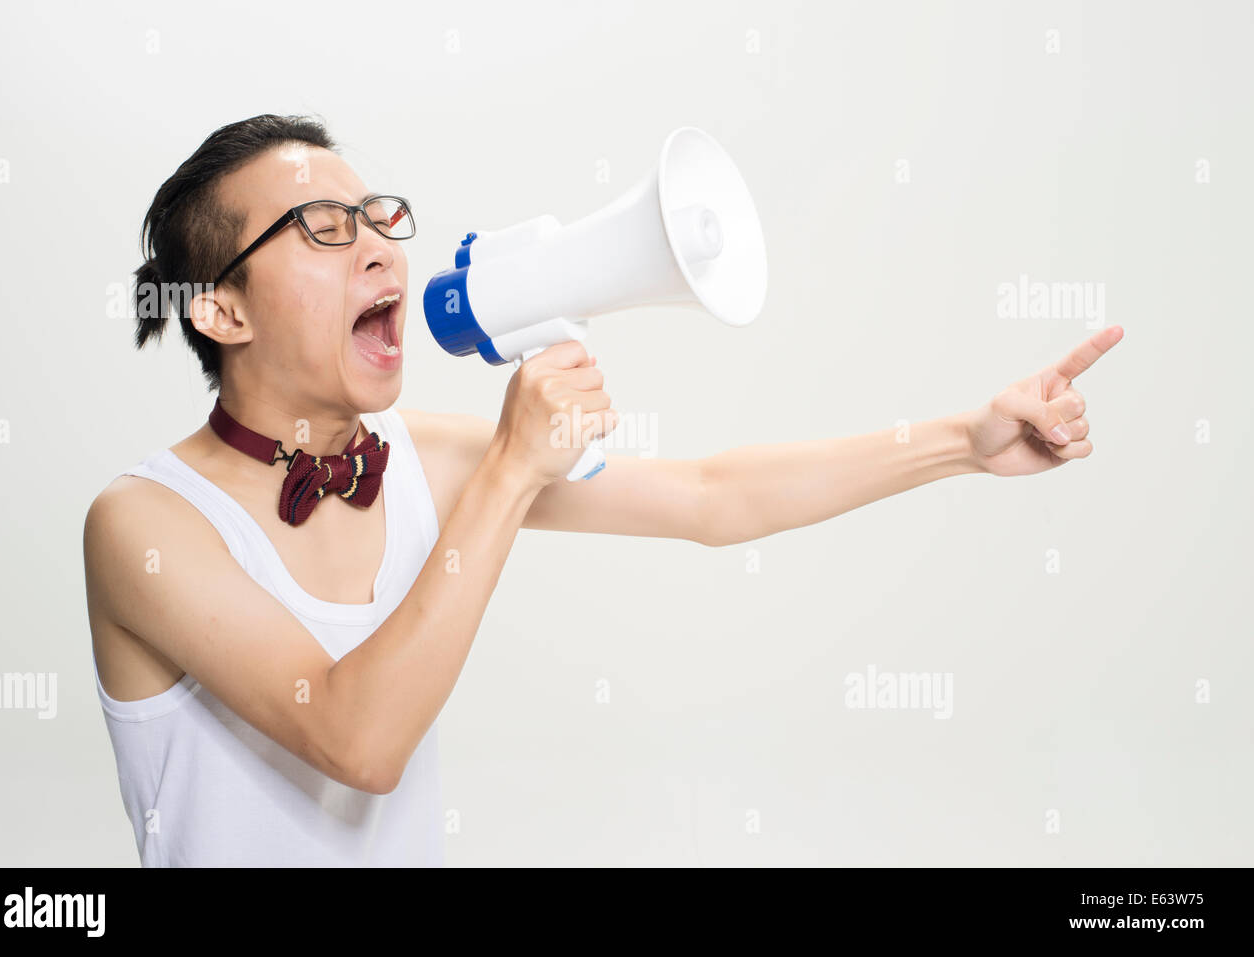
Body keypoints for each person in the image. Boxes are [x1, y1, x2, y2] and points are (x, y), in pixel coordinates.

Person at [82, 114, 1124, 867]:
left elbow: (713, 500)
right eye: (320, 227)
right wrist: (509, 469)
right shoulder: (144, 526)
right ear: (219, 311)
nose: (375, 246)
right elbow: (358, 742)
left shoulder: (433, 460)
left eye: (375, 216)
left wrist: (960, 441)